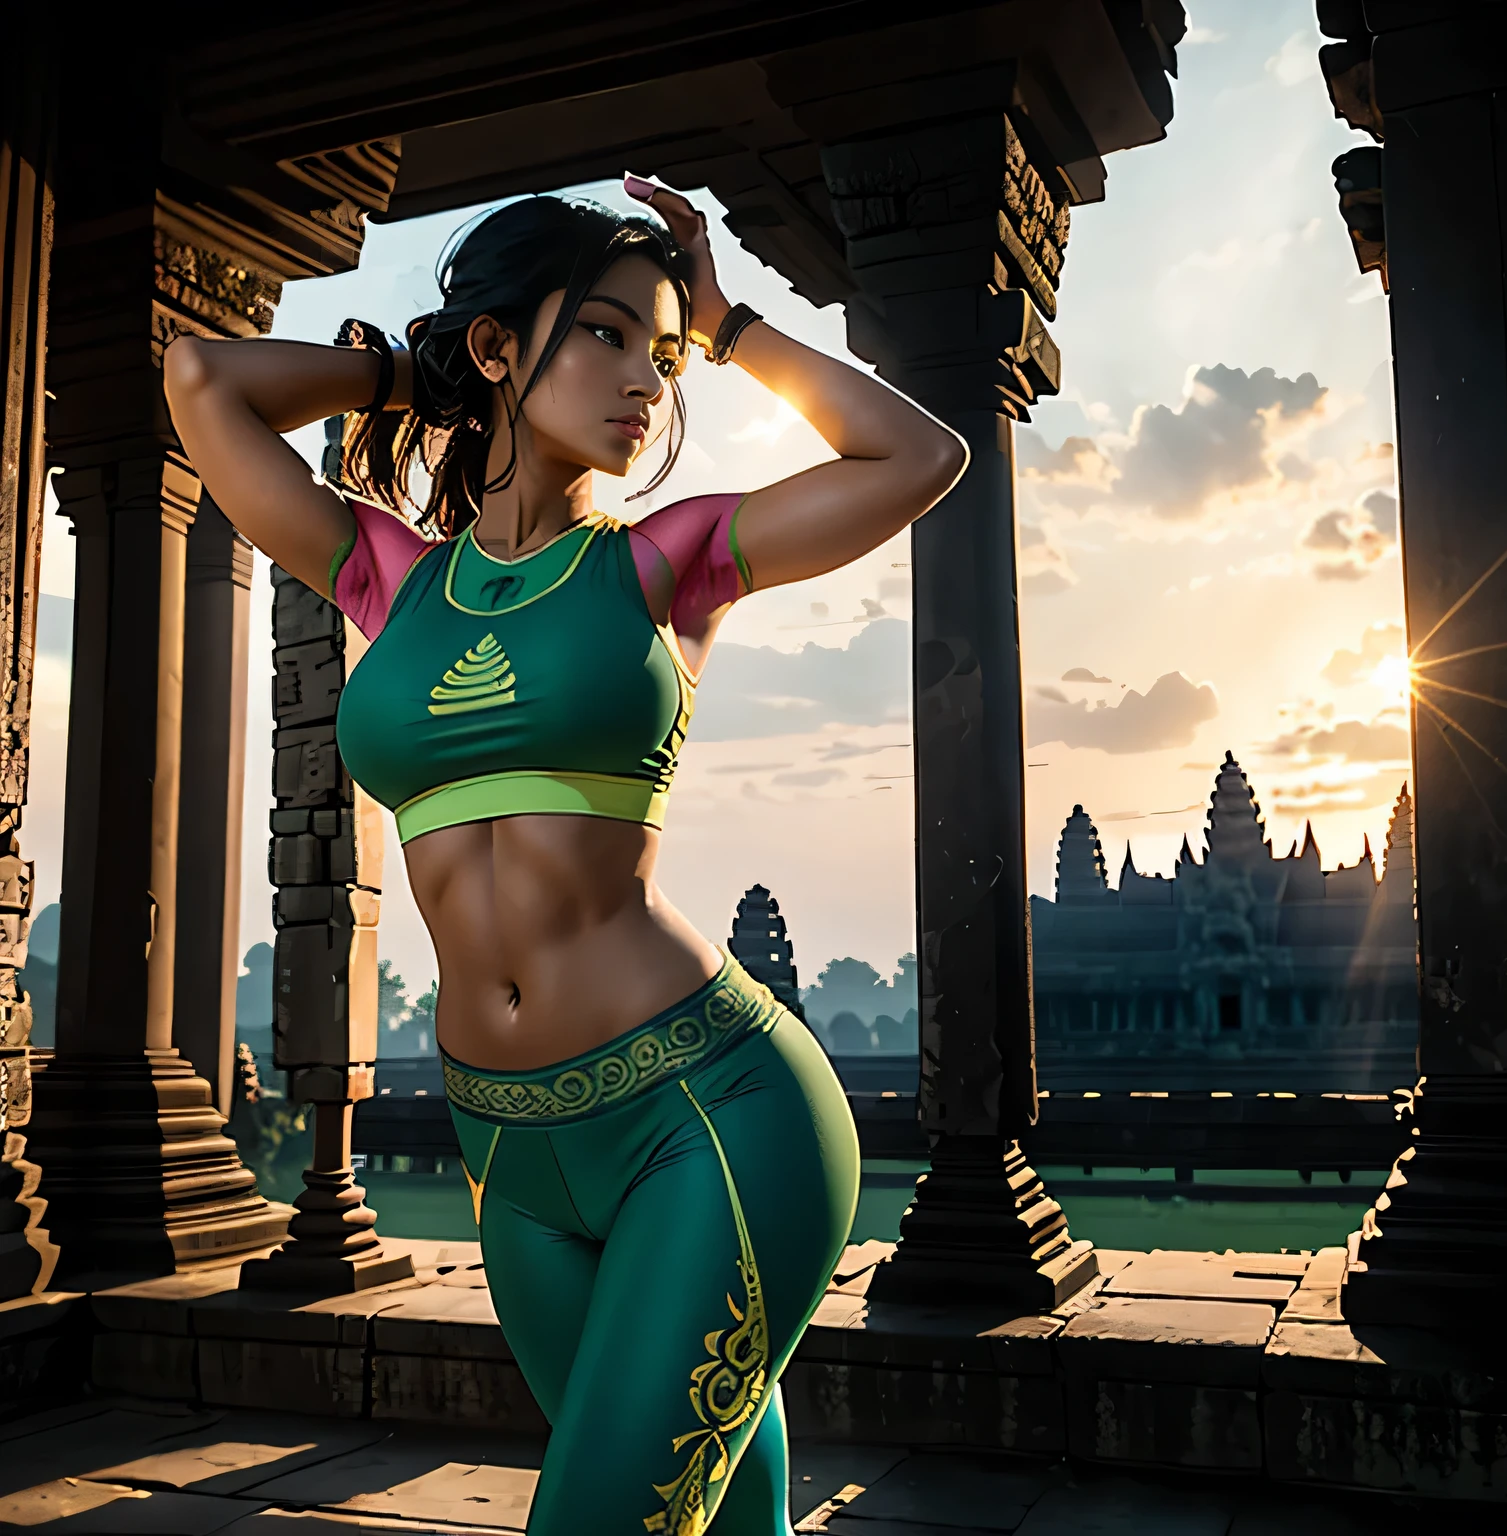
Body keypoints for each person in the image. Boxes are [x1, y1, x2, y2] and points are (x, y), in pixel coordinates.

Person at [165, 178, 966, 1535]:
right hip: (513, 1159)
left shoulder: (666, 561)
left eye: (661, 354)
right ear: (496, 348)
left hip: (706, 1117)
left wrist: (731, 324)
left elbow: (918, 458)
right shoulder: (389, 579)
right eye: (604, 334)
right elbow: (201, 382)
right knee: (714, 1518)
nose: (645, 380)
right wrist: (393, 368)